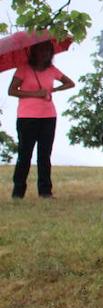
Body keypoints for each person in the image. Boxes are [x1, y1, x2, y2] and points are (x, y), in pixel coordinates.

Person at [8, 40, 74, 199]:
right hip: (27, 117)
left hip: (48, 116)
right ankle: (18, 191)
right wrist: (34, 94)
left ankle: (45, 191)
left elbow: (70, 83)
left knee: (44, 155)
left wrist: (54, 90)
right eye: (41, 50)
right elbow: (12, 91)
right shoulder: (23, 69)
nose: (44, 54)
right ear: (34, 52)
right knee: (25, 154)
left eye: (47, 51)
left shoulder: (51, 69)